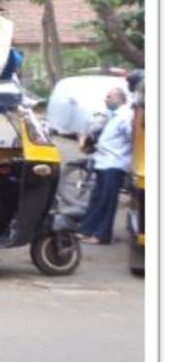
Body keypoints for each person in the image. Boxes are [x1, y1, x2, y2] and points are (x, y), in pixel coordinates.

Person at [78, 87, 134, 245]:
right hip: (103, 163)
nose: (106, 100)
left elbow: (133, 138)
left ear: (119, 99)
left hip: (115, 164)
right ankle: (86, 230)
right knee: (96, 198)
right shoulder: (114, 116)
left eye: (109, 97)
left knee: (107, 200)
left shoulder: (125, 116)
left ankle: (102, 235)